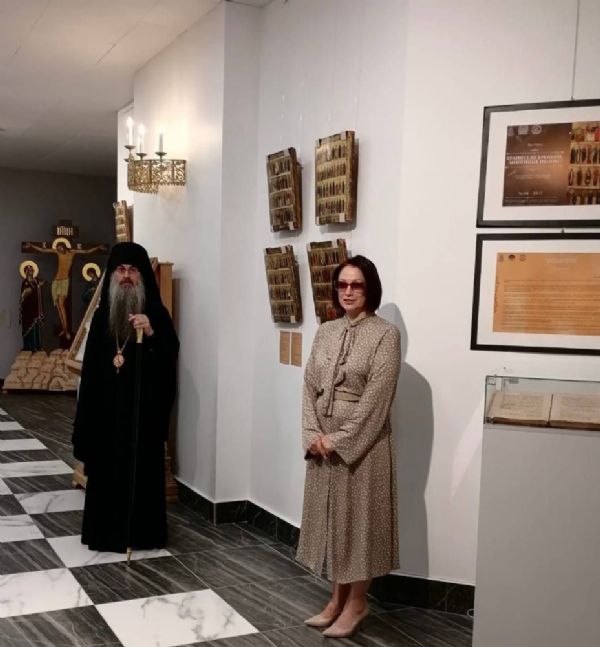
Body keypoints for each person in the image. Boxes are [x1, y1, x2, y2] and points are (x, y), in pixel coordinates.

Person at [296, 255, 401, 639]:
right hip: (321, 444)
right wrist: (312, 434)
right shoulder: (326, 331)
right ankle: (335, 599)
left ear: (370, 288)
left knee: (359, 525)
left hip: (363, 447)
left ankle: (357, 602)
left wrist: (337, 440)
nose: (348, 291)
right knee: (332, 521)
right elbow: (309, 386)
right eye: (342, 284)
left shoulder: (386, 335)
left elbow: (377, 400)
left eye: (356, 285)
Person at [72, 242, 179, 553]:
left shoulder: (157, 314)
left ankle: (143, 534)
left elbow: (169, 359)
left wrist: (152, 335)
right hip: (105, 416)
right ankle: (104, 534)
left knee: (141, 475)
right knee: (106, 474)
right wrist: (87, 419)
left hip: (142, 416)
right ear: (112, 275)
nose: (127, 276)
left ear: (142, 276)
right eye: (121, 270)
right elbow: (91, 373)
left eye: (133, 270)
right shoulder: (102, 317)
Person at [24, 239, 106, 341]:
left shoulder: (72, 252)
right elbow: (43, 250)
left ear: (64, 246)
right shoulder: (58, 252)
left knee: (61, 305)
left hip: (64, 281)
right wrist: (31, 245)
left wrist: (98, 247)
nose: (59, 250)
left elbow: (86, 251)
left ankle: (66, 331)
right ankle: (64, 328)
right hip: (56, 281)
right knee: (58, 306)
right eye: (58, 249)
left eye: (60, 248)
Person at [19, 261, 45, 351]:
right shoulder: (25, 282)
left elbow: (38, 289)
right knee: (29, 327)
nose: (31, 271)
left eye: (32, 270)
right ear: (26, 272)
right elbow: (24, 294)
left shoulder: (35, 281)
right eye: (29, 270)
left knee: (36, 327)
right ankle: (29, 347)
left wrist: (38, 286)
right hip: (28, 309)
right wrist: (37, 287)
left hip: (35, 308)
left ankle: (37, 346)